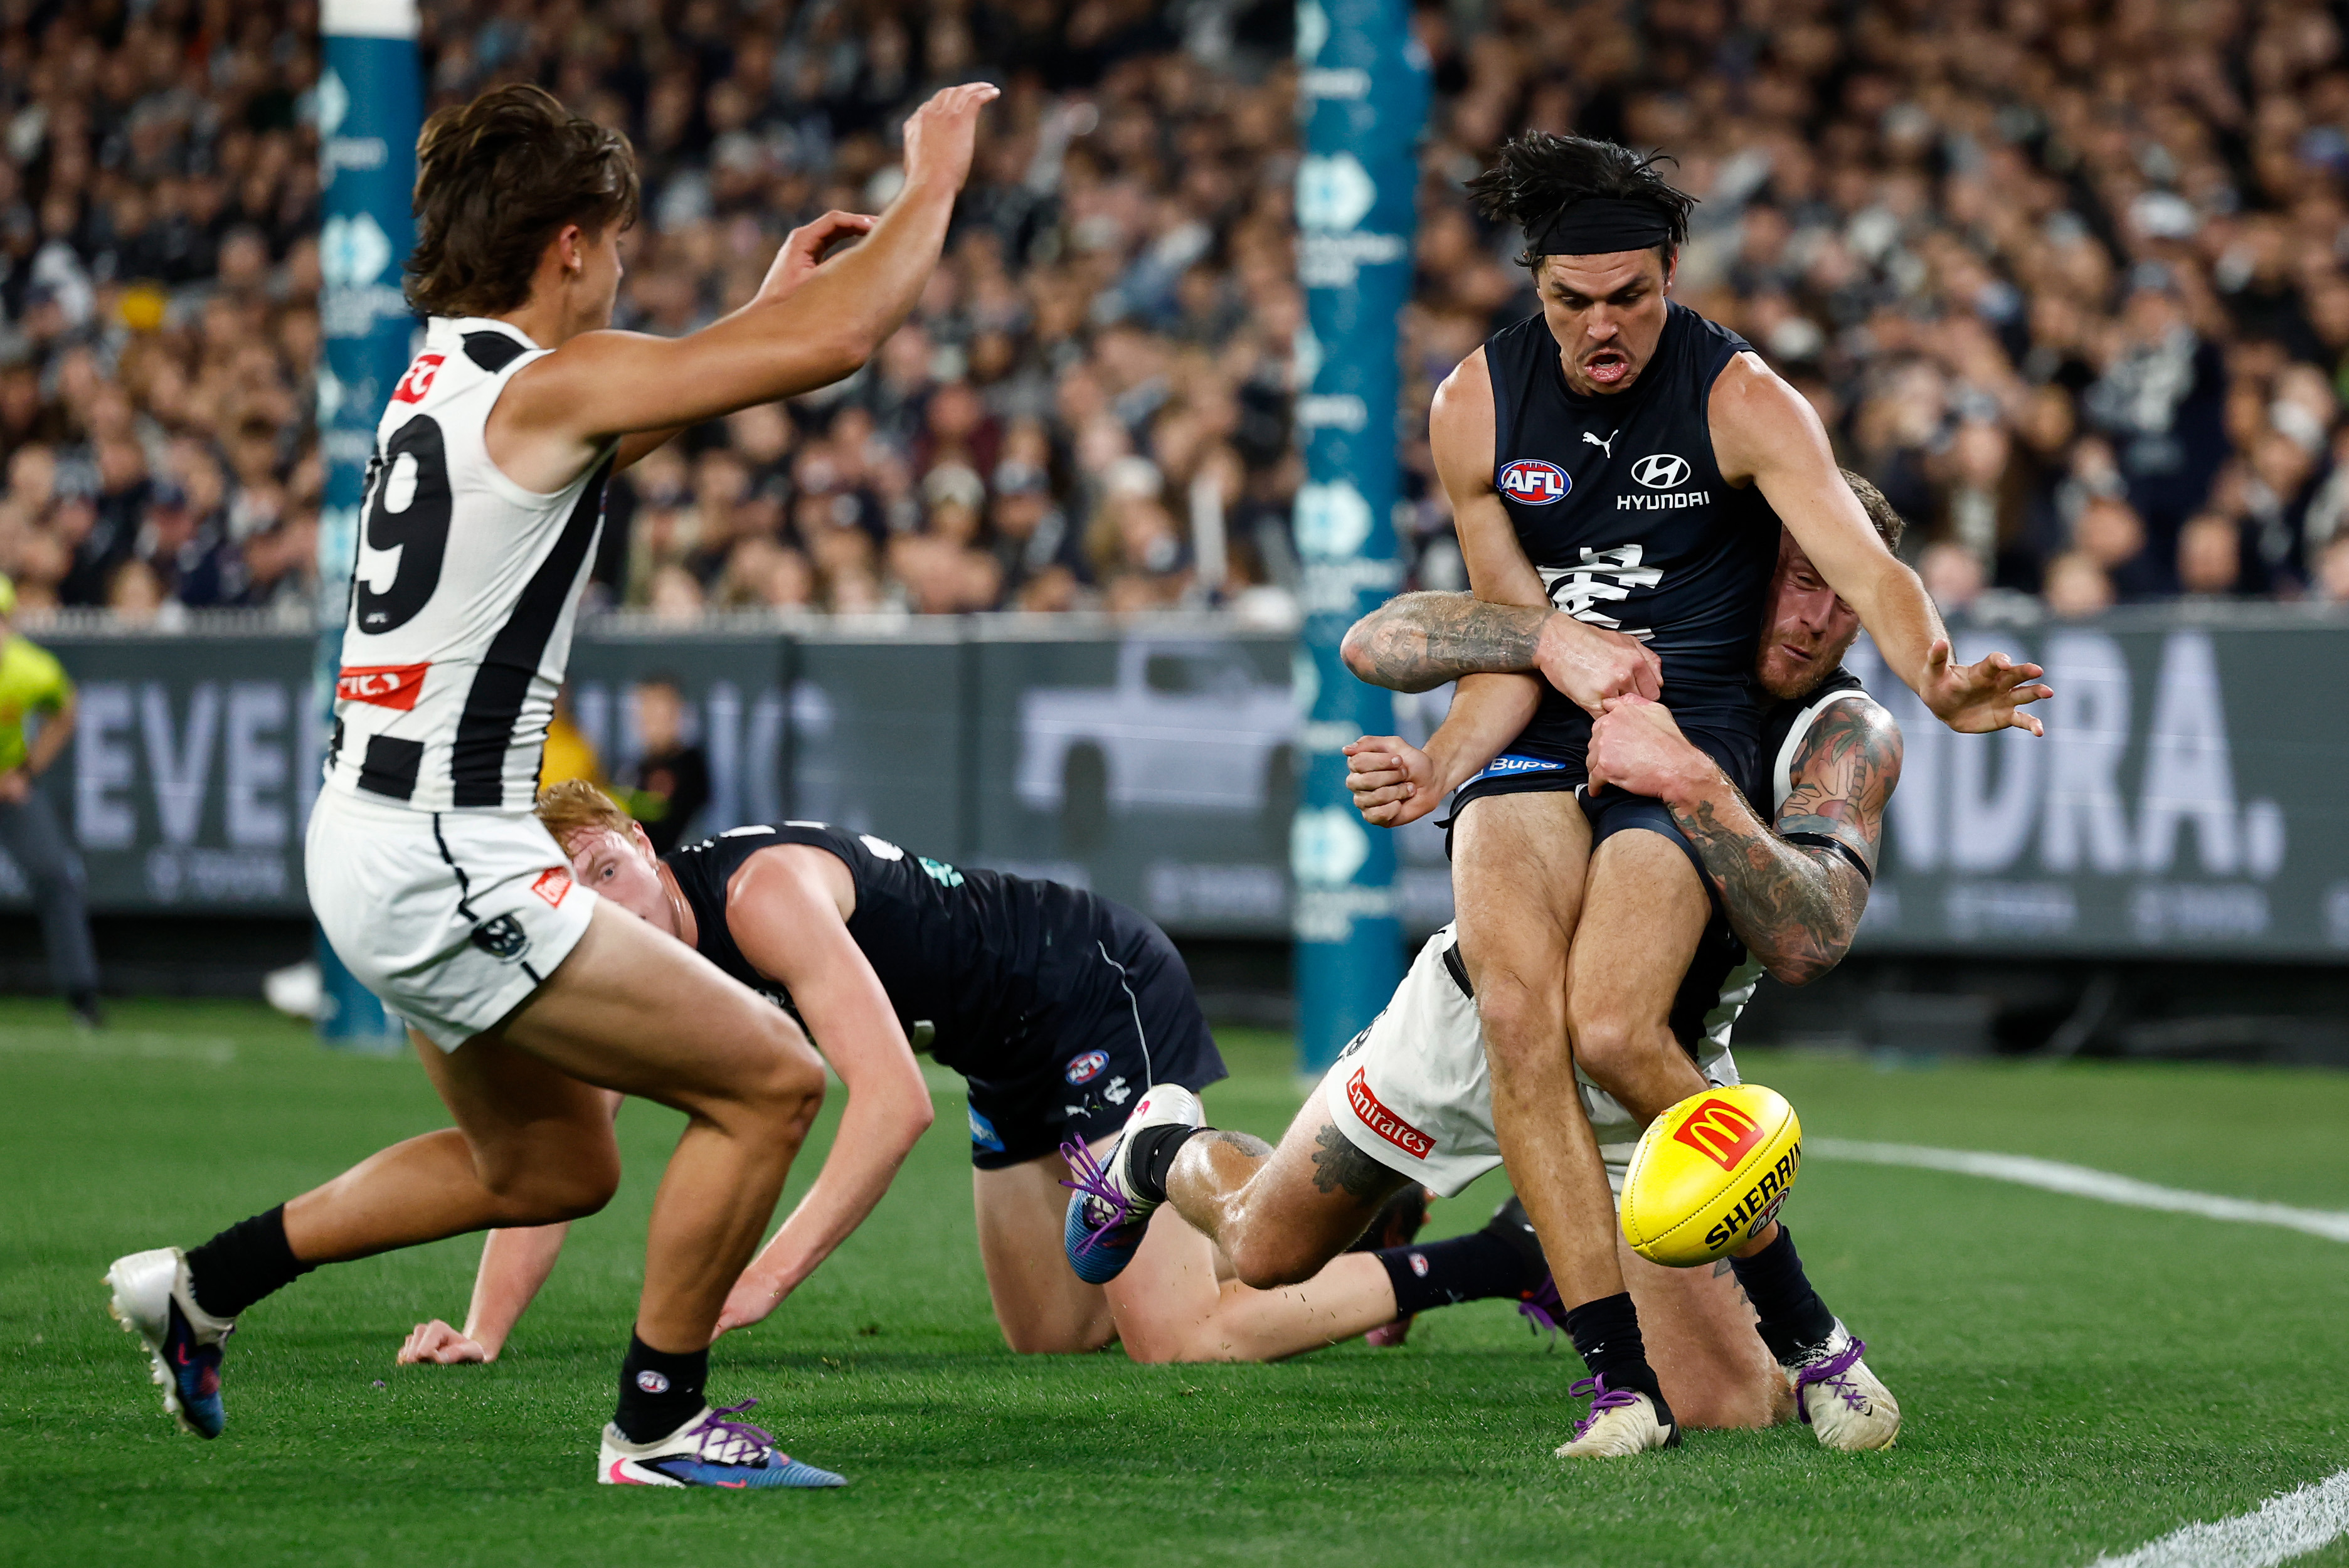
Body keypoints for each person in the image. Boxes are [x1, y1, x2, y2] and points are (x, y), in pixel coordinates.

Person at [1076, 134, 2047, 1459]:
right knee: (1260, 1248)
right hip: (1536, 784)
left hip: (1658, 752)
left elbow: (1872, 570)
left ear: (1671, 278)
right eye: (1571, 301)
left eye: (1631, 299)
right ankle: (1159, 1152)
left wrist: (1933, 671)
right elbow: (1497, 625)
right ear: (1535, 285)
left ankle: (1687, 1362)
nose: (1602, 328)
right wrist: (1457, 747)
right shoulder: (1474, 402)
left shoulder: (1757, 443)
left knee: (1607, 1031)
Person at [102, 78, 999, 1491]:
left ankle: (200, 1287)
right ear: (571, 243)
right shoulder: (542, 383)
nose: (624, 265)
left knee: (550, 1167)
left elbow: (628, 426)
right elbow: (842, 335)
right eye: (620, 242)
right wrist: (932, 181)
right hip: (450, 852)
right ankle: (655, 1421)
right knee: (772, 1081)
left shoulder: (442, 381)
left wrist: (744, 322)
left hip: (370, 837)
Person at [1062, 502, 1905, 1441]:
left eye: (1845, 592)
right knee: (1263, 1249)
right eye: (1798, 578)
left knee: (1732, 1409)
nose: (1814, 617)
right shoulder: (1616, 650)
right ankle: (1160, 1149)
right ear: (1742, 563)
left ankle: (1519, 1250)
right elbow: (1379, 639)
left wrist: (1693, 782)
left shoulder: (1843, 732)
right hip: (1470, 1021)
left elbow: (1811, 938)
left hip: (1650, 1072)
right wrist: (1539, 637)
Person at [395, 782, 1444, 1368]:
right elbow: (569, 1141)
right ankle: (1349, 1211)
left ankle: (1486, 1261)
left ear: (637, 838)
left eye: (606, 867)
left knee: (1176, 1343)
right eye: (574, 897)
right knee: (1051, 1336)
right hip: (1001, 1057)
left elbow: (892, 1108)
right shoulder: (646, 966)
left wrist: (763, 1278)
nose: (607, 903)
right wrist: (485, 1329)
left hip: (1088, 988)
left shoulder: (758, 896)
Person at [0, 572, 102, 1027]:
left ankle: (82, 996)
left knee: (56, 875)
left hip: (10, 785)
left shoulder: (30, 669)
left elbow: (66, 710)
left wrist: (25, 772)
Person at [619, 674, 709, 854]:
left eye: (657, 710)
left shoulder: (688, 768)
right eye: (644, 707)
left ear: (676, 712)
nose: (647, 719)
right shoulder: (637, 766)